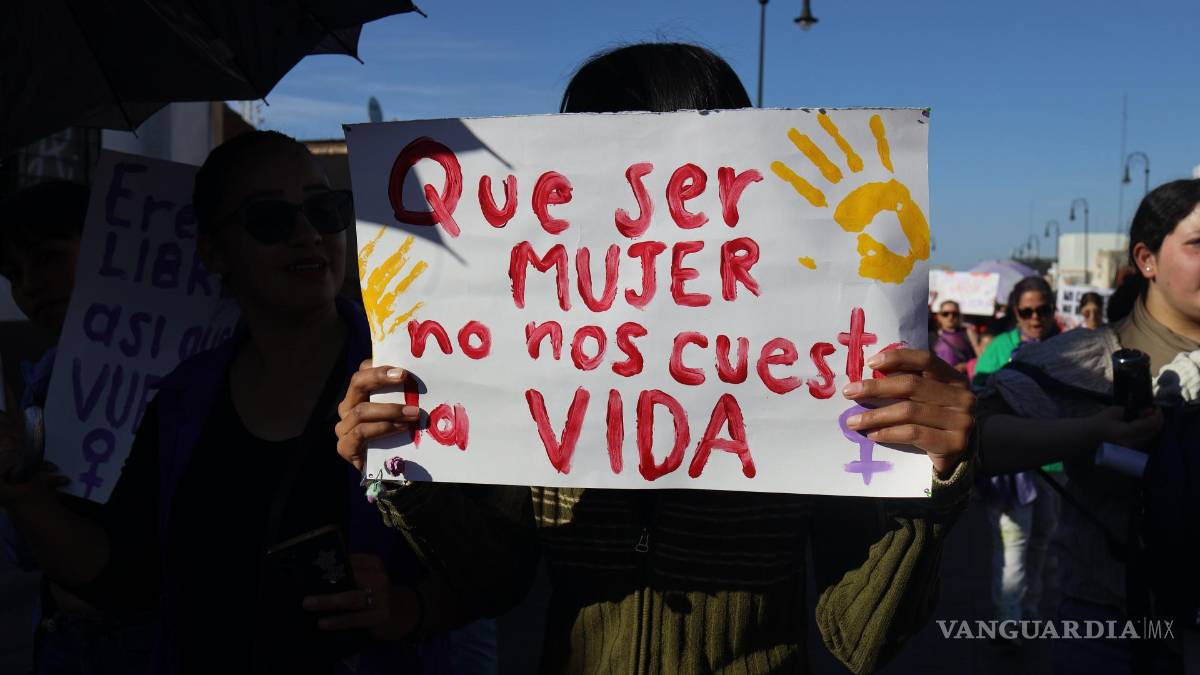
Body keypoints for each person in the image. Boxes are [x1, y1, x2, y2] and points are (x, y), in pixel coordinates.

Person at [333, 43, 977, 675]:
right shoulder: (531, 358)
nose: (639, 198)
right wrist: (405, 466)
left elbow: (857, 640)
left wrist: (925, 495)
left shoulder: (815, 384)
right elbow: (495, 583)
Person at [0, 132, 492, 674]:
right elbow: (124, 576)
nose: (307, 234)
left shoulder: (414, 376)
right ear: (214, 251)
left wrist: (408, 608)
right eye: (270, 219)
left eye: (325, 210)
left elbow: (498, 566)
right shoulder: (182, 400)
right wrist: (25, 497)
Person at [976, 179, 1200, 674]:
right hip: (1112, 629)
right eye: (1198, 244)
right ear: (1147, 260)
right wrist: (1090, 433)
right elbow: (975, 436)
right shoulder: (1082, 359)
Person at [0, 181, 155, 675]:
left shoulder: (186, 368)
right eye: (12, 274)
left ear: (110, 249)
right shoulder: (42, 380)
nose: (28, 286)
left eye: (47, 259)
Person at [971, 277, 1062, 643]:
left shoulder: (1065, 347)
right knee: (1013, 548)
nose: (1036, 317)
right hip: (1012, 470)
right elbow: (977, 400)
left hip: (1057, 466)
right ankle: (1008, 621)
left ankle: (1030, 610)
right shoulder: (997, 349)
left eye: (1042, 310)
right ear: (1015, 312)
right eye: (1027, 311)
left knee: (1042, 539)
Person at [933, 299, 981, 372]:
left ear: (959, 316)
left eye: (954, 314)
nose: (950, 317)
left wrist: (967, 366)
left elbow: (983, 361)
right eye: (945, 314)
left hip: (961, 380)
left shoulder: (968, 335)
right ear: (939, 316)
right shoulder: (931, 336)